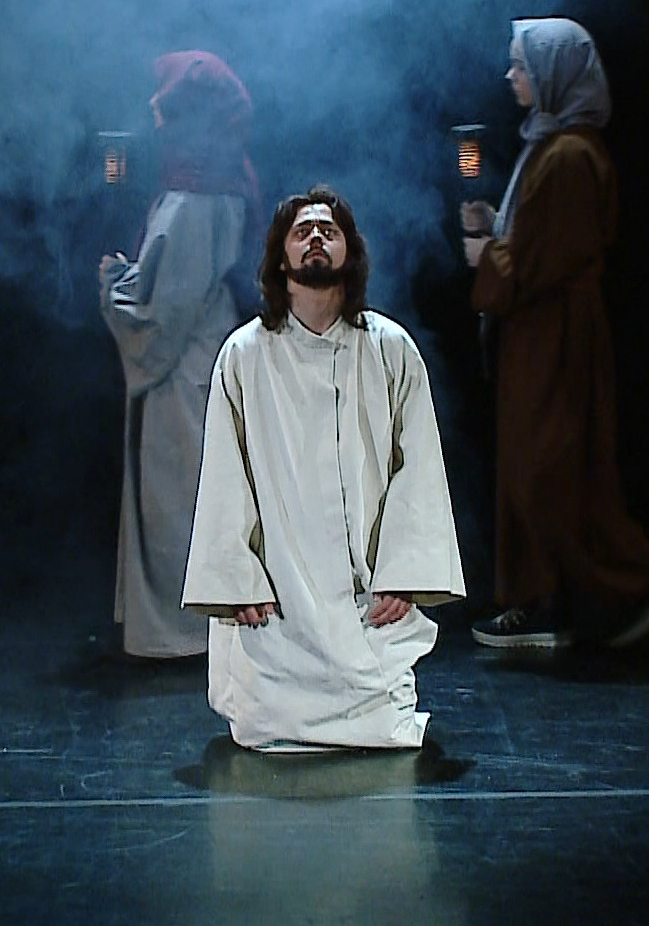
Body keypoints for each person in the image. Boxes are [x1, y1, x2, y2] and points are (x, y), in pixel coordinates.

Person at [183, 186, 465, 751]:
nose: (315, 237)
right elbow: (224, 474)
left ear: (349, 253)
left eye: (329, 231)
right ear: (279, 258)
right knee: (266, 712)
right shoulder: (245, 355)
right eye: (302, 231)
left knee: (378, 707)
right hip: (278, 596)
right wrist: (236, 577)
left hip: (362, 595)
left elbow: (419, 468)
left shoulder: (390, 349)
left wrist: (403, 571)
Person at [460, 16, 649, 649]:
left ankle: (631, 584)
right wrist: (497, 226)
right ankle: (540, 599)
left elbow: (541, 263)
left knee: (549, 470)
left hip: (555, 334)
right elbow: (538, 240)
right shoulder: (552, 145)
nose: (511, 76)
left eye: (522, 66)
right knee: (533, 467)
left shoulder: (568, 156)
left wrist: (486, 253)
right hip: (539, 331)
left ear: (554, 75)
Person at [100, 51, 258, 658]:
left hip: (185, 366)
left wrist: (115, 291)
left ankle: (189, 631)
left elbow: (167, 308)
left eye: (164, 95)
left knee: (182, 501)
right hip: (194, 357)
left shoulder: (199, 195)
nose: (152, 105)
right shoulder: (205, 179)